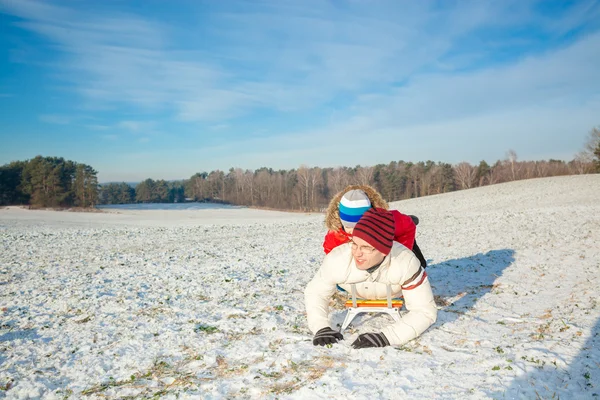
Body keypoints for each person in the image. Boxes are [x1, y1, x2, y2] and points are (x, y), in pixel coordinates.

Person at [305, 208, 437, 348]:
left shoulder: (405, 262)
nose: (357, 253)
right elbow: (315, 292)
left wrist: (386, 337)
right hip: (357, 292)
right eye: (355, 244)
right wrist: (320, 327)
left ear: (384, 250)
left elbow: (425, 311)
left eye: (366, 247)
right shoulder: (339, 258)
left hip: (393, 293)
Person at [322, 185, 427, 269]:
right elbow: (331, 253)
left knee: (413, 264)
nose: (352, 232)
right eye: (348, 227)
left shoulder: (388, 221)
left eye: (358, 227)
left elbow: (407, 227)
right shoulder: (336, 233)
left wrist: (401, 254)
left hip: (392, 243)